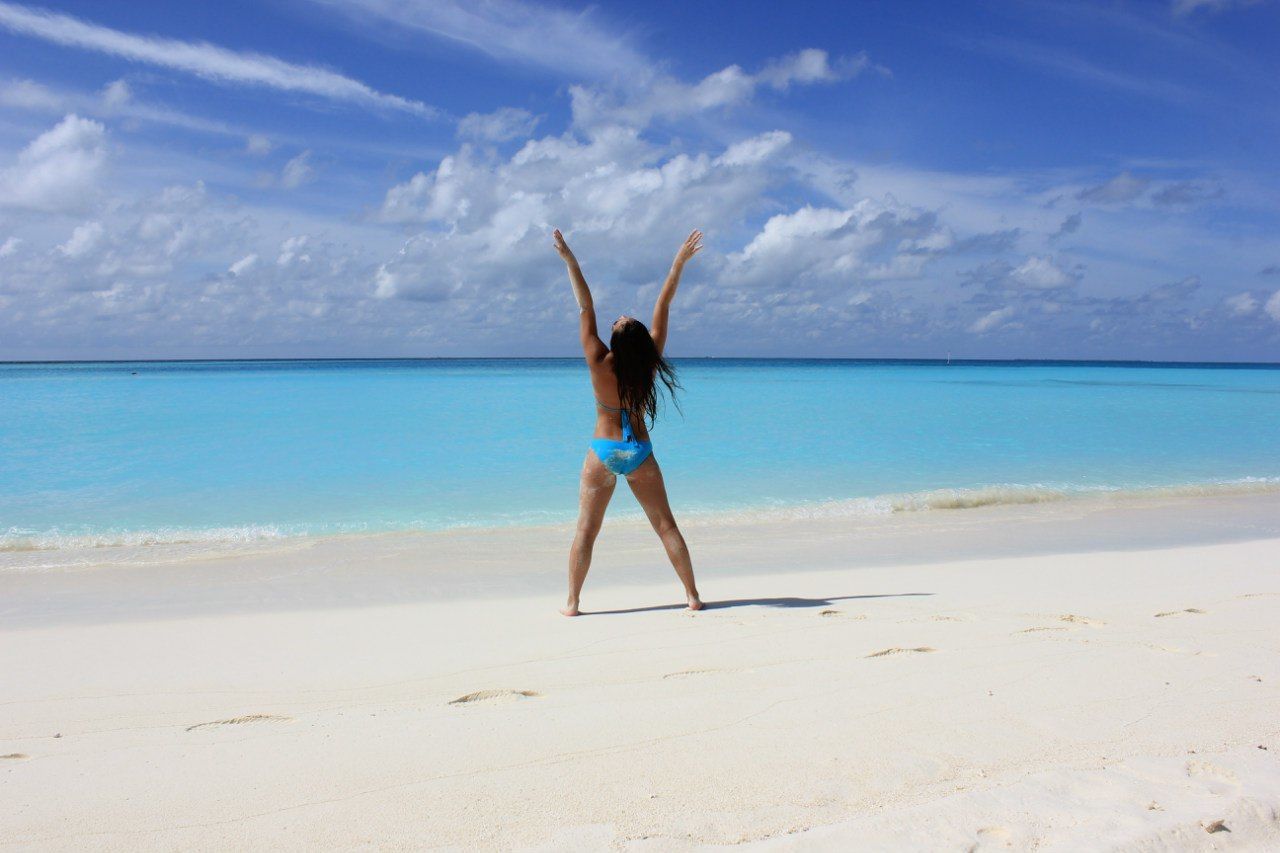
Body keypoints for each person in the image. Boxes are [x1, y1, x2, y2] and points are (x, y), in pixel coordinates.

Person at [551, 227, 705, 617]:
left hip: (603, 452)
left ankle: (572, 603)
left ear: (616, 342)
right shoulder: (649, 364)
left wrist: (570, 261)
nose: (618, 317)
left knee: (586, 531)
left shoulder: (597, 360)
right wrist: (679, 262)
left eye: (619, 322)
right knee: (665, 526)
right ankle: (692, 596)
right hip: (639, 452)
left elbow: (585, 307)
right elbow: (664, 303)